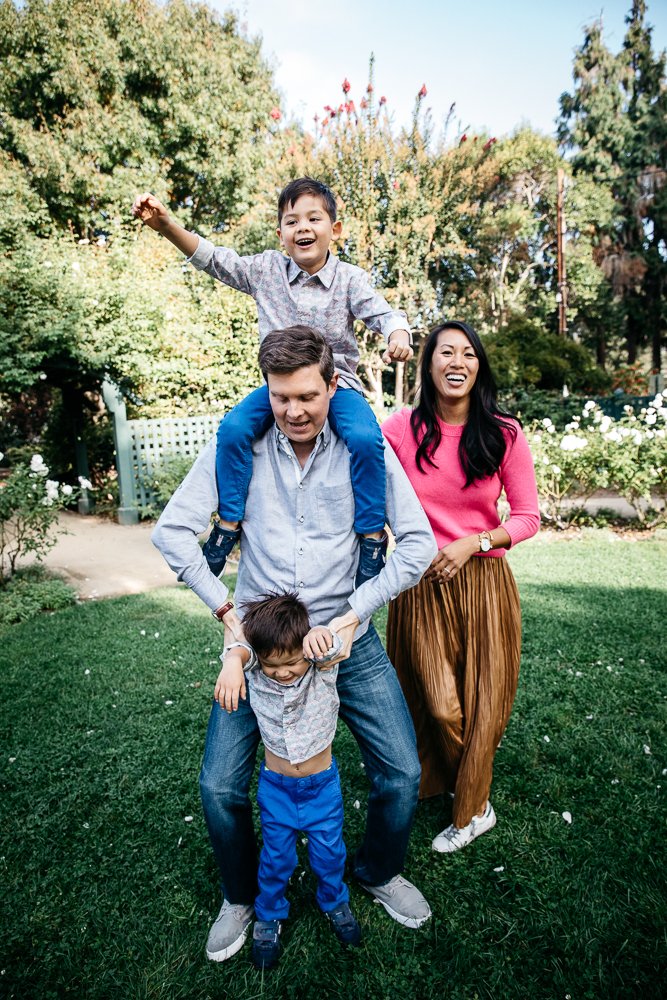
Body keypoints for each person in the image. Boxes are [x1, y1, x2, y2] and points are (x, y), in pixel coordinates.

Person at [152, 325, 437, 964]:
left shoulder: (363, 450)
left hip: (347, 636)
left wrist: (355, 614)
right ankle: (240, 895)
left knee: (403, 770)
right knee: (219, 786)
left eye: (308, 395)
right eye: (281, 397)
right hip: (259, 646)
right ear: (267, 390)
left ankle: (378, 872)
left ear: (333, 386)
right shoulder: (239, 448)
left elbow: (418, 544)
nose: (294, 411)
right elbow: (171, 533)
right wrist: (225, 610)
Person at [133, 177, 413, 586]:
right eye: (291, 220)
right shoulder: (266, 270)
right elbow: (215, 259)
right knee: (232, 429)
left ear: (334, 229)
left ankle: (371, 537)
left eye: (314, 218)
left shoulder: (350, 279)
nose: (302, 227)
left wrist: (398, 335)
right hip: (278, 390)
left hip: (337, 387)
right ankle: (229, 524)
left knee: (365, 438)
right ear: (280, 233)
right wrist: (167, 227)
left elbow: (384, 314)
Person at [382, 320, 539, 854]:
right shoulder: (401, 429)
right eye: (445, 352)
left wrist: (475, 541)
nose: (457, 362)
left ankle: (474, 806)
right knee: (439, 703)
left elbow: (527, 518)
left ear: (479, 366)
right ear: (428, 365)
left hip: (483, 583)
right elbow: (367, 482)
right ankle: (440, 777)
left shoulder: (504, 433)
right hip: (420, 584)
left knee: (483, 701)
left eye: (468, 353)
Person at [221, 591, 359, 970]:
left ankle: (334, 901)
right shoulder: (257, 672)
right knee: (276, 857)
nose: (282, 672)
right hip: (277, 789)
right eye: (272, 665)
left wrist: (319, 635)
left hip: (321, 788)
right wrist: (234, 659)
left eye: (291, 662)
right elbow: (243, 650)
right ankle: (269, 915)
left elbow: (331, 647)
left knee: (329, 853)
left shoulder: (321, 669)